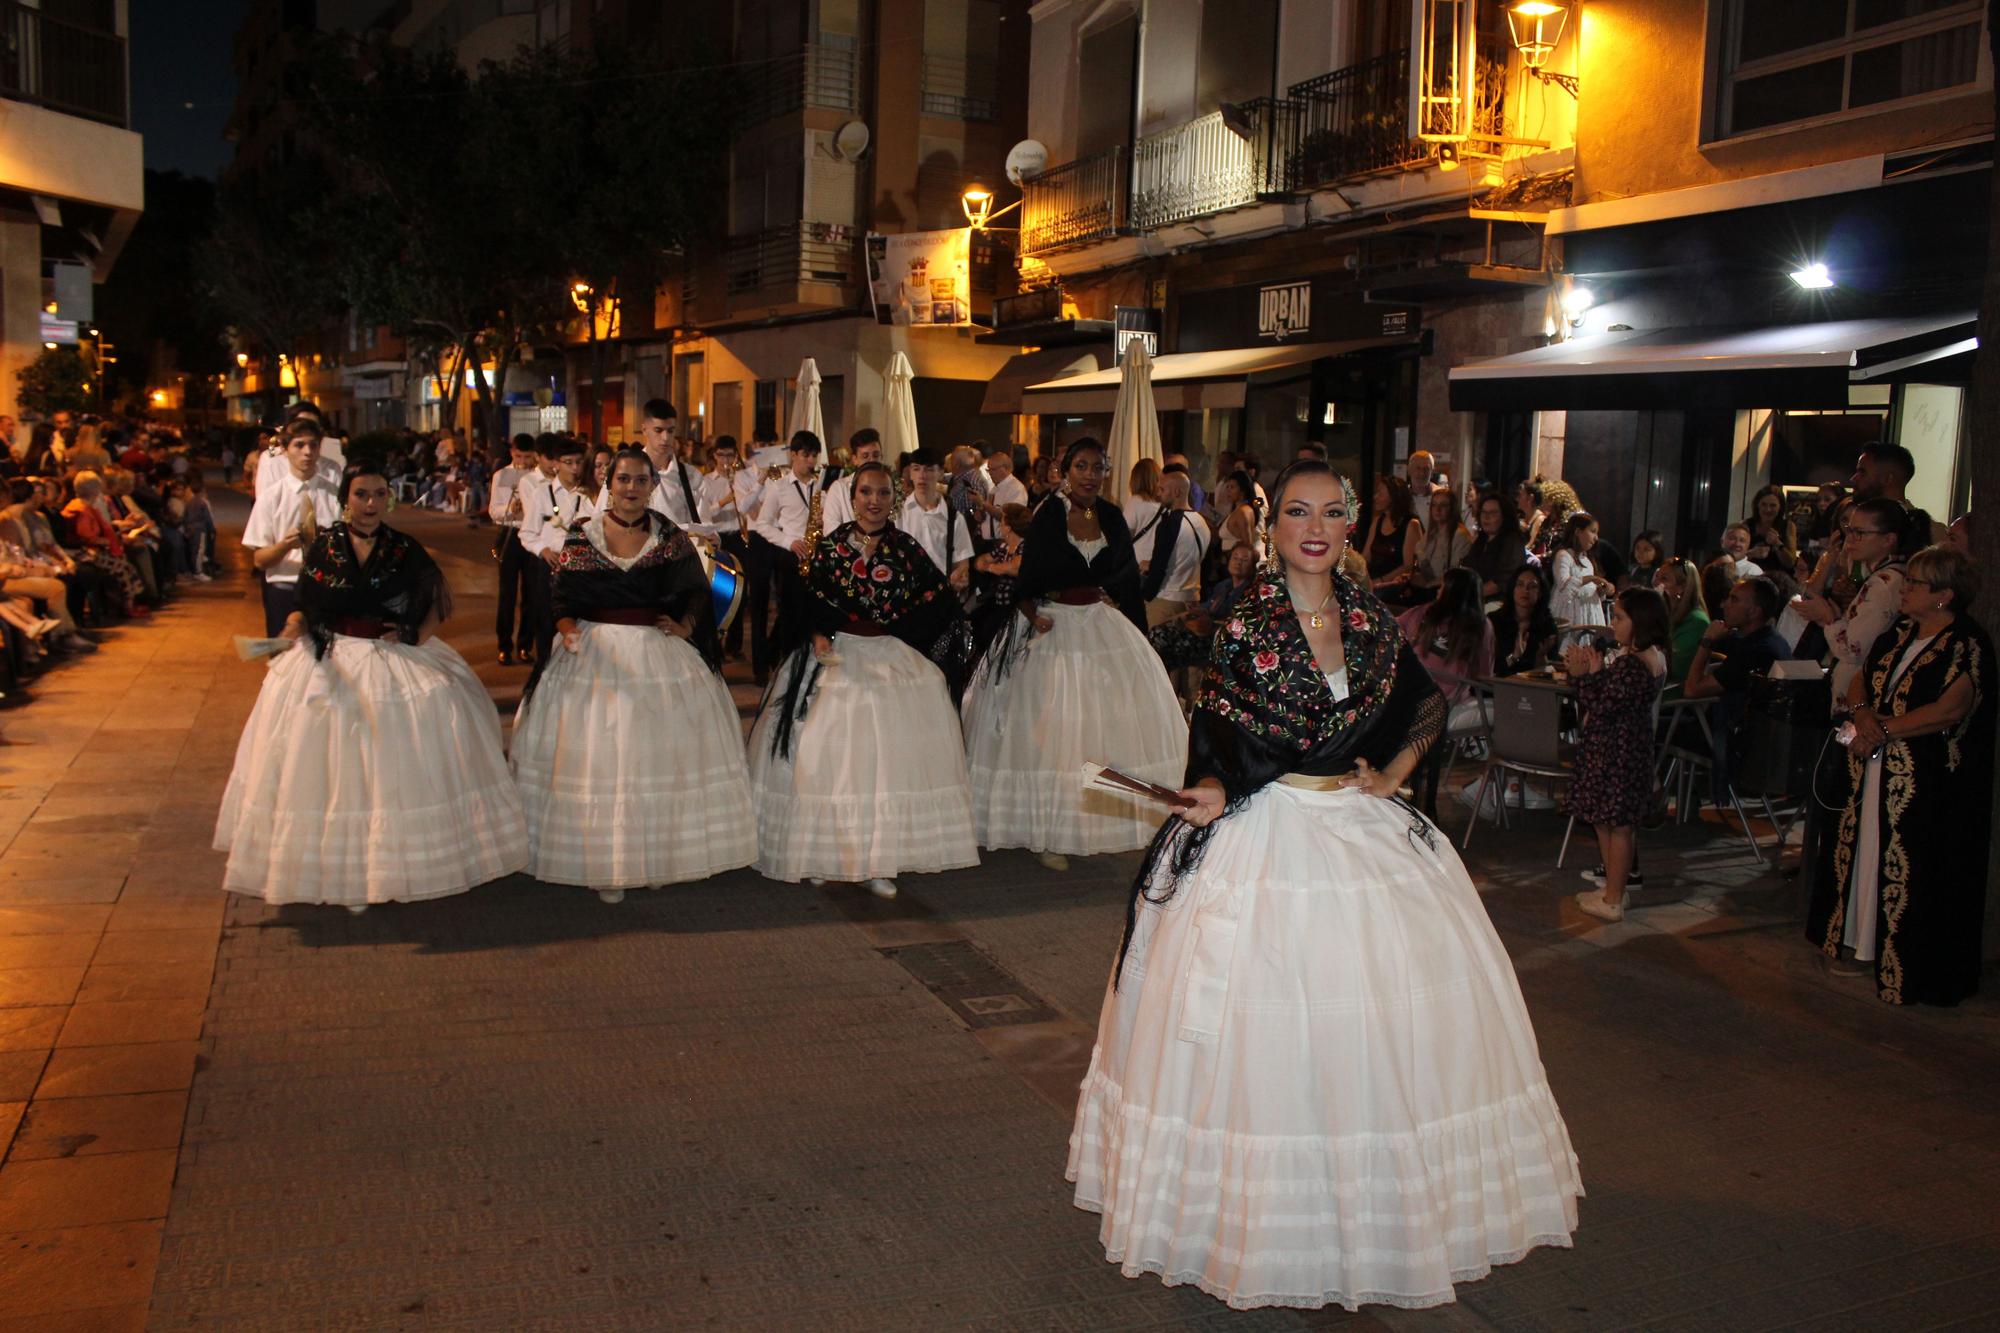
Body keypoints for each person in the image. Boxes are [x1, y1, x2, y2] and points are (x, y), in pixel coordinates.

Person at [1070, 460, 1579, 1311]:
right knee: (1266, 1043)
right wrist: (1211, 791)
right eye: (1298, 511)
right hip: (1267, 836)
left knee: (1377, 1038)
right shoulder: (1248, 623)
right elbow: (1222, 731)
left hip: (1360, 830)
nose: (1316, 526)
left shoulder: (1373, 618)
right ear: (1273, 528)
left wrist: (1398, 774)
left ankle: (1373, 1216)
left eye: (1333, 512)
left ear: (1351, 526)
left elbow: (1424, 703)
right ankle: (1262, 1225)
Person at [213, 463, 528, 910]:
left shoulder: (403, 548)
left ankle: (392, 864)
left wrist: (414, 635)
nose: (370, 504)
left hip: (387, 653)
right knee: (331, 765)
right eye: (362, 494)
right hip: (333, 653)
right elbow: (306, 604)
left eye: (379, 494)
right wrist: (287, 633)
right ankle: (341, 869)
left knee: (396, 757)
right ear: (347, 499)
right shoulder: (325, 547)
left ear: (388, 500)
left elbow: (436, 599)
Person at [509, 448, 755, 901]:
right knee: (603, 760)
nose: (631, 489)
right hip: (592, 653)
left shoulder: (671, 536)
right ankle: (609, 862)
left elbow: (698, 592)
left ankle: (657, 854)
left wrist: (684, 626)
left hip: (655, 653)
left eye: (641, 481)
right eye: (623, 479)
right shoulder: (583, 535)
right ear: (610, 483)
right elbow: (561, 595)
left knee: (655, 759)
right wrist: (565, 630)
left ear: (652, 486)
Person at [749, 461, 978, 900]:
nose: (874, 501)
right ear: (852, 498)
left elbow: (936, 601)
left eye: (883, 494)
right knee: (823, 756)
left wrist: (912, 641)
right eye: (866, 493)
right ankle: (821, 852)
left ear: (894, 500)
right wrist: (817, 637)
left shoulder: (907, 549)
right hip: (836, 657)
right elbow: (804, 607)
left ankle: (879, 859)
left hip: (890, 658)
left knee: (887, 766)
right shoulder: (831, 548)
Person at [962, 437, 1188, 870]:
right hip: (1054, 624)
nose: (1089, 474)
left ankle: (1100, 821)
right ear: (1066, 471)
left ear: (1106, 472)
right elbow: (1027, 578)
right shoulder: (1049, 513)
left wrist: (1140, 637)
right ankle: (1049, 828)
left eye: (1097, 467)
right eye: (1081, 466)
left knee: (1103, 725)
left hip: (1099, 623)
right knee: (1054, 728)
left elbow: (1125, 580)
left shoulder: (1111, 516)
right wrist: (1032, 613)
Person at [1806, 544, 1993, 1004]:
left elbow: (1949, 709)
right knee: (1865, 853)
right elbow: (1861, 677)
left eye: (1916, 585)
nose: (1905, 590)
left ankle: (1904, 961)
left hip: (1928, 784)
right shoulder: (1899, 634)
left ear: (1945, 595)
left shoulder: (1965, 643)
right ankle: (1859, 942)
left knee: (1910, 866)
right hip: (1875, 769)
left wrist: (1883, 730)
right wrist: (1866, 714)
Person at [1567, 587, 1673, 923]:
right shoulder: (1643, 658)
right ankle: (1613, 887)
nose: (1612, 623)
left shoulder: (1634, 664)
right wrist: (1597, 674)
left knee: (1618, 825)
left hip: (1619, 753)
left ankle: (1613, 898)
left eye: (1619, 617)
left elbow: (1604, 706)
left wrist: (1582, 677)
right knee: (1605, 820)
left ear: (1640, 621)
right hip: (1620, 749)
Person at [1793, 498, 1911, 707]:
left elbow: (1854, 650)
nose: (1851, 539)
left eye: (1861, 533)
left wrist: (1828, 618)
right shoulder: (1880, 575)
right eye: (1849, 530)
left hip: (1862, 699)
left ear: (1888, 539)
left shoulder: (1885, 584)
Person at [240, 420, 341, 635]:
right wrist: (285, 545)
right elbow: (259, 560)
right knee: (285, 660)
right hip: (286, 588)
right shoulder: (271, 497)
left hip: (327, 588)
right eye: (299, 445)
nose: (307, 452)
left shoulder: (334, 495)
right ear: (286, 450)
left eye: (313, 445)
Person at [748, 431, 825, 681]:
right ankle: (787, 666)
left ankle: (806, 664)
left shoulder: (822, 487)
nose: (811, 461)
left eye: (814, 455)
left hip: (816, 555)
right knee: (790, 615)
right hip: (790, 557)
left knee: (812, 613)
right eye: (806, 455)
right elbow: (762, 524)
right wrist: (789, 541)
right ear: (793, 455)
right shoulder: (779, 487)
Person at [517, 435, 596, 663]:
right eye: (568, 462)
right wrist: (543, 550)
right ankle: (543, 672)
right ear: (556, 464)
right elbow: (527, 532)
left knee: (577, 624)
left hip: (580, 568)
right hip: (550, 567)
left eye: (578, 462)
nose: (574, 468)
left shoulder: (588, 494)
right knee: (546, 622)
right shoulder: (542, 493)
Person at [895, 446, 973, 594]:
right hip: (907, 595)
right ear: (910, 473)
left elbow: (962, 563)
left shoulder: (954, 518)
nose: (922, 475)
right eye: (916, 469)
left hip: (941, 594)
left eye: (929, 469)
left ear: (941, 473)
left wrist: (960, 577)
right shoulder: (899, 515)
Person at [488, 436, 537, 666]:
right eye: (519, 456)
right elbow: (493, 510)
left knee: (531, 594)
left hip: (532, 535)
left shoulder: (538, 476)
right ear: (512, 452)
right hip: (509, 534)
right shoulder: (502, 475)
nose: (523, 462)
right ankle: (504, 645)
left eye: (528, 457)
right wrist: (509, 510)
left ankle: (525, 645)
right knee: (507, 593)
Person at [1138, 472, 1209, 627]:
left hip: (1167, 599)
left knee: (1153, 648)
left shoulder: (1170, 524)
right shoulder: (1202, 522)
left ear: (1177, 492)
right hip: (1192, 598)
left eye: (1162, 490)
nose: (1158, 494)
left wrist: (1146, 596)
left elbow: (1159, 568)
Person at [1361, 474, 1422, 601]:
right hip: (1373, 581)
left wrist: (1380, 582)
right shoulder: (1378, 521)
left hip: (1393, 586)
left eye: (1380, 493)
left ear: (1394, 497)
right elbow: (1366, 557)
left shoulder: (1411, 524)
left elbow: (1408, 566)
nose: (1375, 497)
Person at [1548, 511, 1613, 628]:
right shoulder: (1563, 556)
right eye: (1592, 532)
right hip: (1570, 613)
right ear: (1578, 532)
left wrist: (1602, 589)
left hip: (1589, 613)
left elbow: (1589, 589)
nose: (1596, 538)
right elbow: (1564, 586)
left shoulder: (1587, 560)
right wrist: (1592, 578)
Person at [1464, 490, 1529, 604]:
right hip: (1477, 599)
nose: (1486, 517)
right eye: (1483, 512)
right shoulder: (1482, 538)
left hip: (1499, 603)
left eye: (1493, 513)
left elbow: (1501, 582)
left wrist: (1470, 595)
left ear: (1504, 516)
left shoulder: (1512, 541)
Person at [1653, 556, 1710, 675]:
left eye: (1664, 579)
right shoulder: (1666, 613)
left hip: (1674, 687)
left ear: (1682, 587)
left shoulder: (1697, 622)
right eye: (1657, 577)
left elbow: (1675, 666)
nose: (1656, 583)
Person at [1410, 487, 1471, 599]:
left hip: (1445, 592)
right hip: (1427, 588)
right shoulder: (1431, 533)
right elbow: (1421, 564)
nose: (1437, 509)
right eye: (1434, 505)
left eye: (1443, 505)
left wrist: (1429, 584)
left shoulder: (1460, 535)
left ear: (1452, 509)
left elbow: (1455, 575)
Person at [818, 428, 881, 532]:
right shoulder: (839, 488)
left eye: (876, 455)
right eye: (865, 456)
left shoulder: (890, 488)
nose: (872, 461)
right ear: (854, 459)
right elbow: (831, 529)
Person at [1743, 486, 1797, 573]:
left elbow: (1791, 562)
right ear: (1757, 505)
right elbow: (1736, 558)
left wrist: (1777, 543)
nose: (1768, 509)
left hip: (1778, 579)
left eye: (1773, 505)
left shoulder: (1788, 526)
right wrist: (1752, 553)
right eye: (1764, 504)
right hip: (1752, 576)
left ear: (1780, 507)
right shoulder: (1746, 525)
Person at [980, 443, 1027, 541]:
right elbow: (988, 517)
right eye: (988, 470)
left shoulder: (1016, 488)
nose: (990, 474)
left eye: (993, 470)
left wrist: (984, 504)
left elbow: (1010, 518)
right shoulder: (994, 488)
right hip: (986, 541)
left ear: (1005, 469)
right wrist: (980, 513)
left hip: (1003, 541)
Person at [1121, 457, 1163, 542]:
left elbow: (1124, 533)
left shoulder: (1135, 502)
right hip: (1161, 554)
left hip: (1140, 553)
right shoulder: (1165, 504)